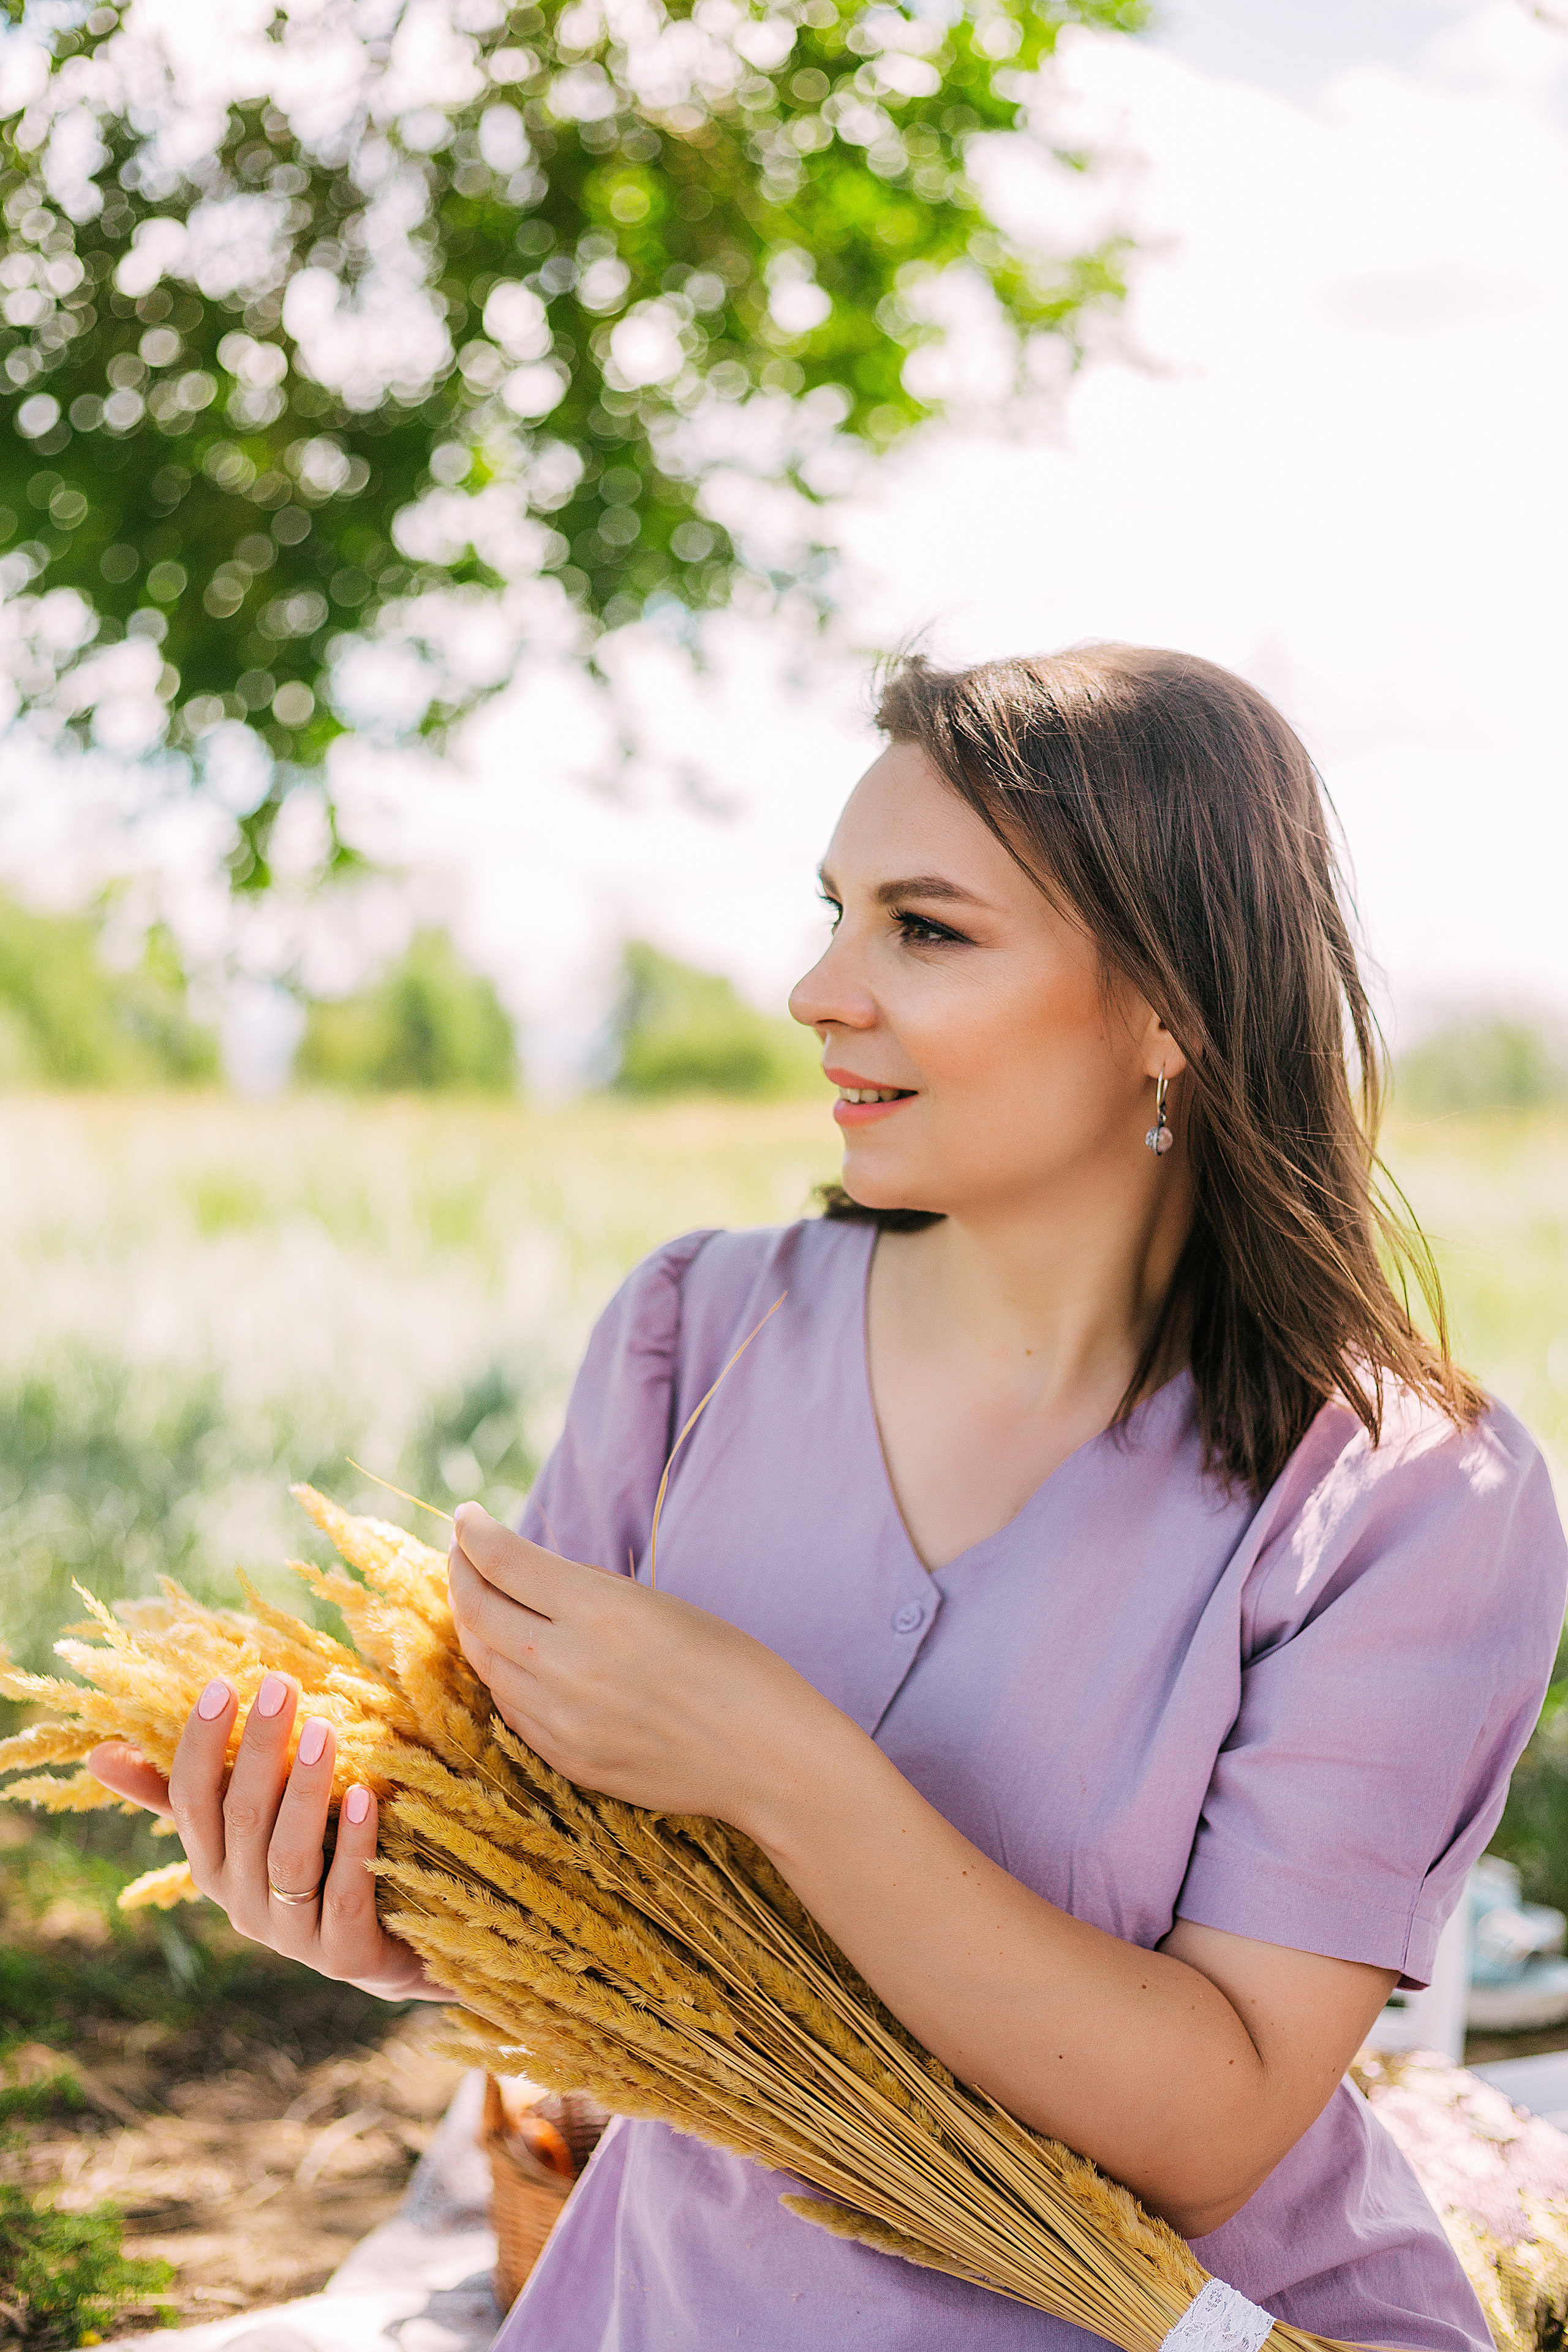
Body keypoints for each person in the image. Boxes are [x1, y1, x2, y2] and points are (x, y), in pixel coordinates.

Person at [92, 645, 1568, 2352]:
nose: (817, 988)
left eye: (922, 929)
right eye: (834, 911)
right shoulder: (693, 1334)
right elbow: (598, 1927)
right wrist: (369, 1910)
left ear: (1172, 1008)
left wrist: (783, 1766)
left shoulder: (1405, 1496)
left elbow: (1219, 2113)